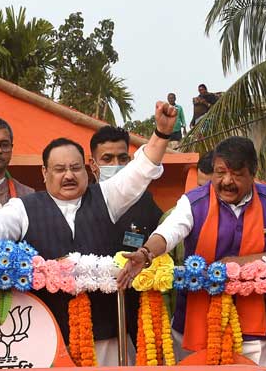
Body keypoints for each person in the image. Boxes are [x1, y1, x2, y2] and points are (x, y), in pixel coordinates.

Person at [0, 101, 178, 366]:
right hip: (44, 338)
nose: (68, 176)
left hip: (108, 337)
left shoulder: (106, 196)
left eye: (75, 168)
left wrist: (161, 133)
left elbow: (140, 171)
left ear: (87, 169)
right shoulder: (25, 207)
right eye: (59, 169)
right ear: (44, 173)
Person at [117, 136, 266, 368]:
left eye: (236, 174)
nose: (227, 181)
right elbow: (169, 231)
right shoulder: (193, 202)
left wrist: (237, 263)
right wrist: (146, 253)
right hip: (195, 324)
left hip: (256, 330)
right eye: (220, 173)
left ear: (253, 174)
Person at [88, 126, 163, 360]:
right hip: (95, 317)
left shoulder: (145, 201)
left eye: (122, 158)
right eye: (107, 159)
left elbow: (161, 248)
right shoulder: (83, 202)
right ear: (93, 165)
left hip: (138, 314)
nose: (116, 163)